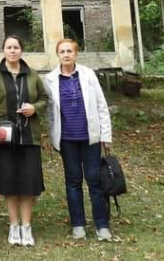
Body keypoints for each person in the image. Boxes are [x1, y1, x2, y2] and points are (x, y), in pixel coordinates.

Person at [0, 34, 49, 247]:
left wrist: (33, 108)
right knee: (9, 183)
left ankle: (26, 226)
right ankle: (14, 225)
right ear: (4, 51)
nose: (12, 51)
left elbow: (44, 99)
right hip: (4, 138)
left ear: (21, 51)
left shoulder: (32, 75)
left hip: (29, 138)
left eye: (16, 47)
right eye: (8, 47)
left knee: (28, 184)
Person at [43, 37, 114, 242]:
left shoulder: (88, 75)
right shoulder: (50, 79)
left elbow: (101, 106)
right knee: (73, 182)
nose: (66, 55)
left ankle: (102, 225)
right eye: (62, 51)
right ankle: (78, 224)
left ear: (76, 54)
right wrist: (53, 136)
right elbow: (50, 112)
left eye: (69, 51)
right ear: (58, 55)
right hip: (67, 140)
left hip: (90, 138)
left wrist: (105, 136)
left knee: (94, 180)